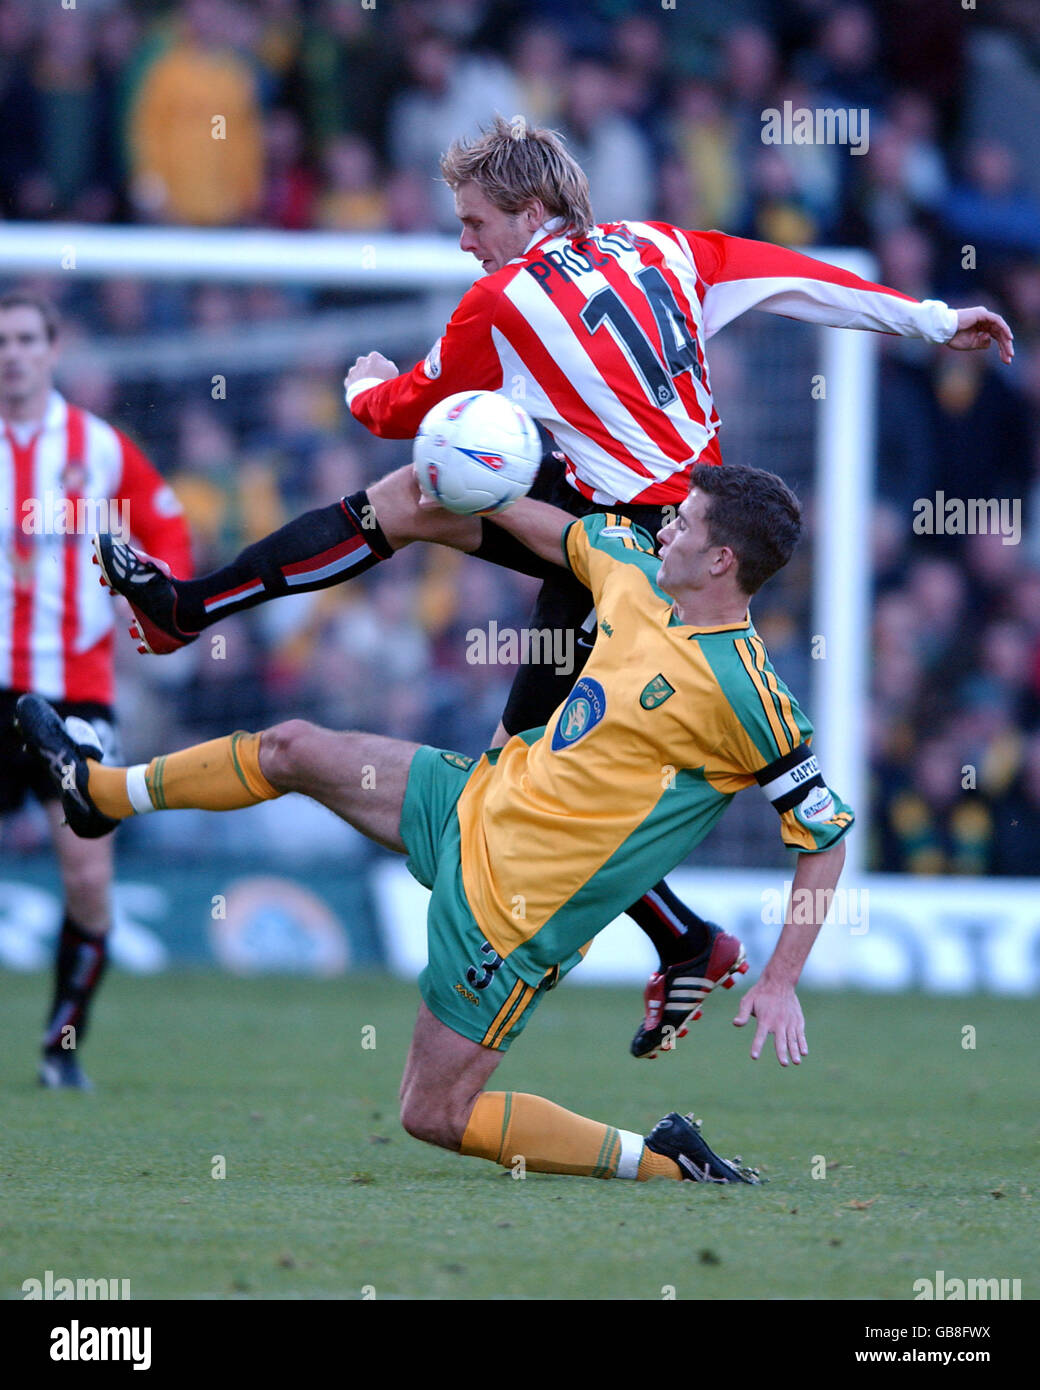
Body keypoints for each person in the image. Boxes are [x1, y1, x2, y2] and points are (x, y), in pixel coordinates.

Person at [91, 116, 1009, 1057]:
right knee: (416, 499)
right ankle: (186, 608)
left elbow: (400, 410)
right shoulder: (663, 244)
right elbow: (799, 278)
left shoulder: (505, 300)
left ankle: (649, 948)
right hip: (656, 533)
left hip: (637, 571)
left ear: (531, 214)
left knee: (504, 780)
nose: (463, 240)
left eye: (474, 219)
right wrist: (933, 320)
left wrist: (365, 386)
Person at [20, 464, 849, 1183]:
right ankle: (99, 793)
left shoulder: (750, 698)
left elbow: (825, 839)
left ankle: (667, 1162)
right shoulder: (631, 567)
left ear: (721, 560)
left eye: (685, 520)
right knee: (291, 748)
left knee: (433, 1113)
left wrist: (779, 981)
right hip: (467, 802)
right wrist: (462, 467)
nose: (663, 524)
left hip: (509, 920)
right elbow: (539, 524)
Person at [0, 291, 192, 1089]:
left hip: (77, 688)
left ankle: (61, 1048)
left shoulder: (99, 447)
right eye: (1, 342)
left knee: (88, 877)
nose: (12, 354)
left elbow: (169, 526)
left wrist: (148, 599)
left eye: (25, 340)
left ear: (52, 349)